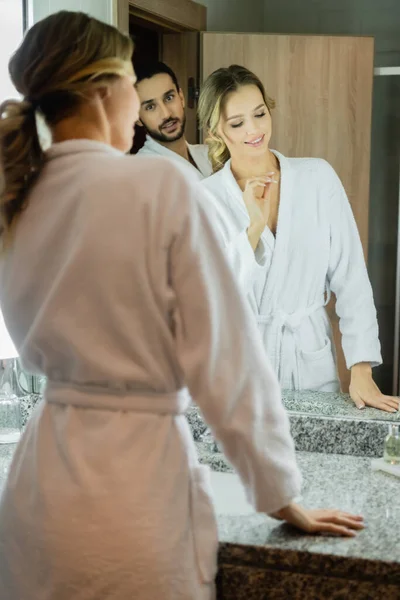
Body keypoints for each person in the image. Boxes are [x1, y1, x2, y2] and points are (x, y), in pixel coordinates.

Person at [0, 13, 364, 600]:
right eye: (130, 83)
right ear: (102, 92)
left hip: (38, 488)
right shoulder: (159, 189)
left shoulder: (15, 198)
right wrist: (279, 494)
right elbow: (227, 364)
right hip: (134, 494)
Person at [197, 64, 400, 414]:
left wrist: (361, 368)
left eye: (260, 113)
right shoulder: (205, 199)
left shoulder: (317, 178)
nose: (254, 129)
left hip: (311, 365)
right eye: (237, 123)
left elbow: (351, 278)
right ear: (216, 131)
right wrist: (254, 229)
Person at [135, 61, 212, 180]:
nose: (166, 114)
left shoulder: (208, 154)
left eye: (169, 98)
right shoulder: (142, 173)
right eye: (150, 107)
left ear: (181, 98)